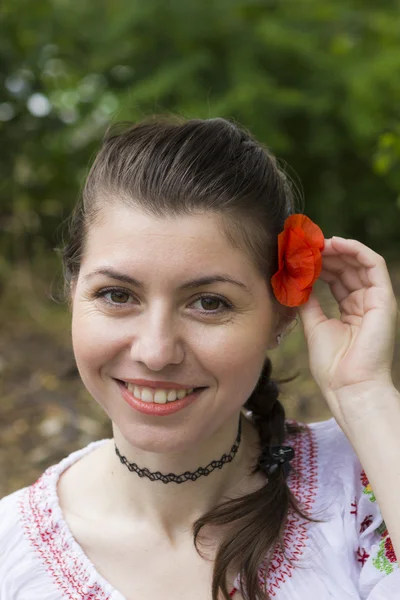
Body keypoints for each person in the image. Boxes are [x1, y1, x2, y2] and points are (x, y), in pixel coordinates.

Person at [0, 116, 399, 600]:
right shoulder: (11, 559)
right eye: (116, 295)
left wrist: (366, 396)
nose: (155, 352)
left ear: (280, 316)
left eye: (209, 303)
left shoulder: (367, 481)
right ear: (72, 292)